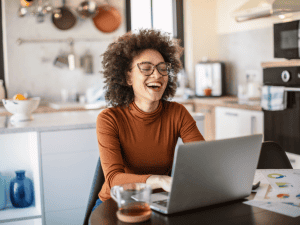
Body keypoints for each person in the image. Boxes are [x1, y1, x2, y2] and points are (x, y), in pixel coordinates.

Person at [92, 28, 205, 212]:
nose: (157, 75)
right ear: (128, 76)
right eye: (146, 68)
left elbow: (202, 159)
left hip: (159, 200)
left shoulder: (177, 112)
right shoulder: (109, 119)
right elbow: (114, 180)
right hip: (116, 203)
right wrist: (158, 179)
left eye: (162, 68)